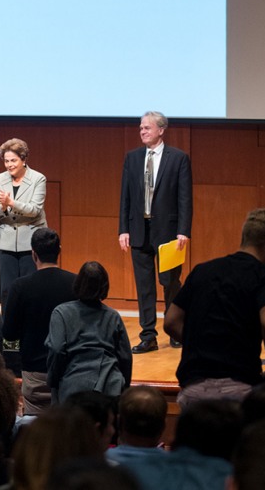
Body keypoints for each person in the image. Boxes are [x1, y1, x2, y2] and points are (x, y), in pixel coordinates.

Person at [164, 208, 265, 408]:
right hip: (240, 386)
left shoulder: (202, 271)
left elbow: (171, 321)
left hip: (193, 386)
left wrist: (202, 345)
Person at [119, 111, 192, 353]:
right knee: (144, 286)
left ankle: (174, 330)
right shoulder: (132, 158)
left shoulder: (178, 158)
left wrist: (184, 230)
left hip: (169, 232)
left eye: (147, 128)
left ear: (161, 130)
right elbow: (125, 197)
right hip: (139, 230)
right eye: (141, 128)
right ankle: (148, 336)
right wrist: (123, 230)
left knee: (170, 282)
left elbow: (185, 197)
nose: (142, 131)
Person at [2, 228, 76, 414]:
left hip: (33, 373)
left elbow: (9, 333)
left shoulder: (19, 286)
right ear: (60, 250)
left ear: (33, 254)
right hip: (70, 372)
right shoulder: (76, 283)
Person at [46, 261, 132, 404]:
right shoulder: (113, 316)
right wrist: (124, 387)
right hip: (111, 387)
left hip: (74, 387)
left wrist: (53, 381)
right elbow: (125, 357)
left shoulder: (61, 312)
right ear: (105, 286)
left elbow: (56, 349)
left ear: (78, 283)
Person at [0, 138, 47, 303]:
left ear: (23, 159)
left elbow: (35, 210)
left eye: (13, 160)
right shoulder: (0, 179)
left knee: (29, 290)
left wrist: (11, 203)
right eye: (6, 161)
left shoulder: (38, 179)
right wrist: (3, 208)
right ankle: (7, 327)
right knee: (7, 290)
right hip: (6, 242)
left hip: (30, 242)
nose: (9, 165)